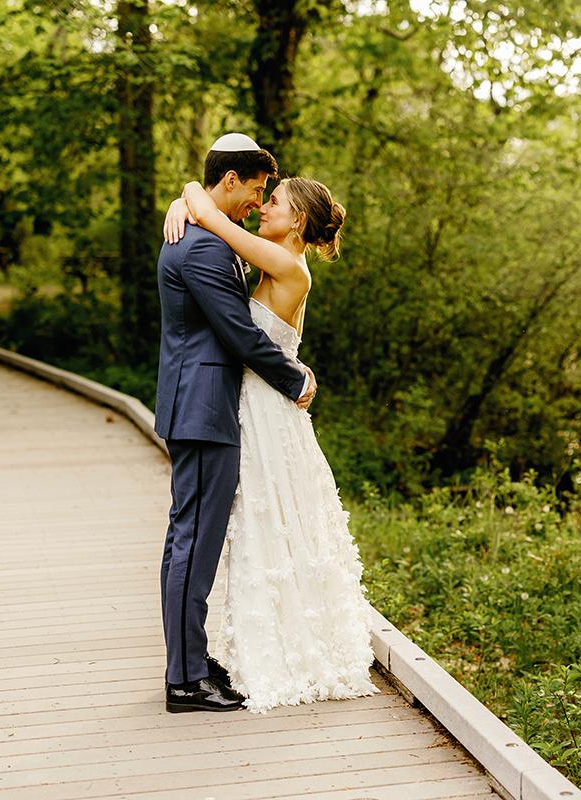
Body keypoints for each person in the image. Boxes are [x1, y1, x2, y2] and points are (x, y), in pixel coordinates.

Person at [161, 138, 378, 713]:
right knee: (215, 534)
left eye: (272, 199)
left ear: (298, 219)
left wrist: (193, 198)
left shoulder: (274, 258)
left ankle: (210, 660)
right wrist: (190, 198)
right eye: (259, 192)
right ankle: (187, 674)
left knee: (254, 531)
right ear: (231, 180)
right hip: (224, 407)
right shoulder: (216, 246)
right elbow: (239, 329)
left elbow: (217, 222)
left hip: (250, 409)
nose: (262, 205)